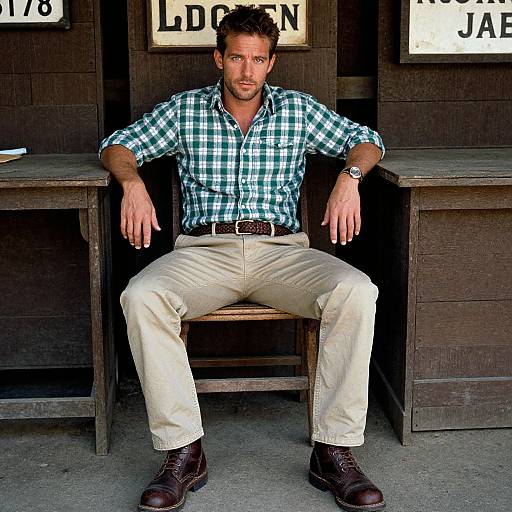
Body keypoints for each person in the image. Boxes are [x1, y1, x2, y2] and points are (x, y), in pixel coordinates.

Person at [99, 5, 386, 512]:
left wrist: (350, 177)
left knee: (357, 291)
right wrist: (132, 182)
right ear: (219, 58)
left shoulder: (297, 110)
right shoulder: (186, 109)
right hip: (205, 252)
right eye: (237, 58)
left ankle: (333, 449)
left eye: (258, 59)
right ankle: (183, 451)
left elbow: (366, 141)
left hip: (282, 252)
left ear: (271, 62)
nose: (247, 71)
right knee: (142, 296)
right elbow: (119, 145)